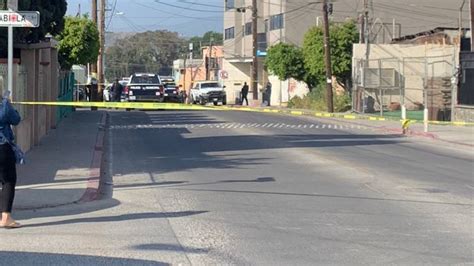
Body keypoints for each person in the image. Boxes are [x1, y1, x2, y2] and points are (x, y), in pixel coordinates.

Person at [0, 88, 21, 229]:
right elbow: (16, 120)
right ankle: (6, 217)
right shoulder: (4, 105)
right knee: (8, 180)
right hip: (2, 147)